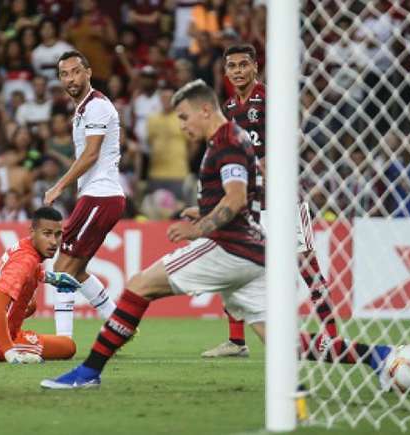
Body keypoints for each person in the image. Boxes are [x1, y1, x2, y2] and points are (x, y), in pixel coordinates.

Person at [40, 79, 267, 389]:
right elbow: (238, 197)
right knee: (284, 343)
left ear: (204, 109)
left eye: (185, 117)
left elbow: (236, 198)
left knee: (138, 287)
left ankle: (87, 372)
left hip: (229, 247)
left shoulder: (226, 140)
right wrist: (201, 213)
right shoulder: (232, 138)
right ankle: (354, 355)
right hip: (254, 252)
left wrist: (197, 228)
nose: (182, 126)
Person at [203, 44, 391, 369]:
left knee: (306, 264)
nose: (237, 71)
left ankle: (331, 335)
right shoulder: (230, 107)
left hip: (284, 195)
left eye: (243, 65)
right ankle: (236, 341)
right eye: (231, 66)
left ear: (255, 67)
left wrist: (267, 161)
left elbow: (297, 137)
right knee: (234, 259)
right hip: (250, 201)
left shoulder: (272, 99)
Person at [42, 50, 124, 339]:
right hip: (98, 197)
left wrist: (59, 186)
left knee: (62, 267)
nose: (71, 78)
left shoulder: (97, 107)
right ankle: (117, 325)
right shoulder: (83, 109)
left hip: (100, 195)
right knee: (75, 270)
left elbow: (91, 155)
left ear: (88, 72)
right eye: (64, 74)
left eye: (76, 71)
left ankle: (63, 341)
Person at [0, 207, 80, 363]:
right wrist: (9, 352)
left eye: (58, 234)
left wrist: (52, 278)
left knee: (30, 305)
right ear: (32, 232)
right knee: (68, 347)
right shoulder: (25, 262)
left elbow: (30, 271)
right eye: (47, 234)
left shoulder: (25, 247)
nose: (54, 242)